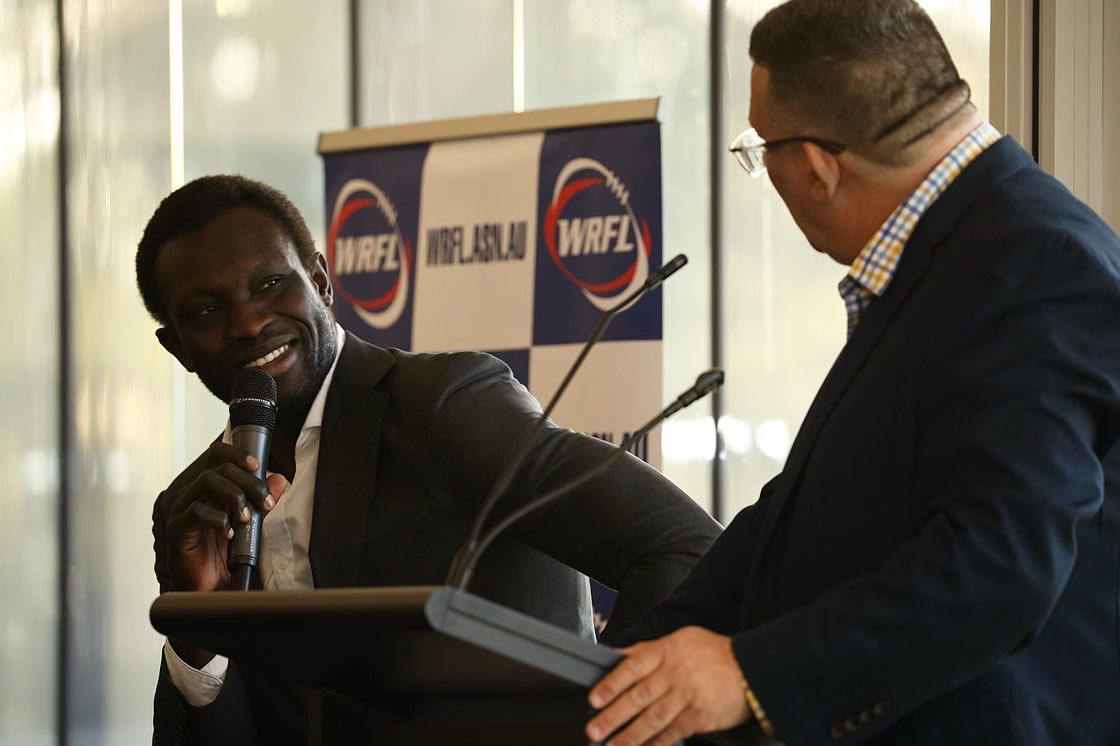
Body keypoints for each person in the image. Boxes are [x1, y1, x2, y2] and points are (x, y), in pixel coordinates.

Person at [585, 1, 1120, 744]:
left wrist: (749, 673)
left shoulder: (1032, 263)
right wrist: (616, 669)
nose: (762, 167)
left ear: (814, 167)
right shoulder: (963, 248)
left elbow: (1001, 566)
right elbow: (807, 516)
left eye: (757, 148)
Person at [136, 173, 721, 745]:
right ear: (177, 348)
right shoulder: (193, 510)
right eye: (207, 312)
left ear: (321, 280)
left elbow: (682, 546)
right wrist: (199, 628)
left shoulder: (444, 405)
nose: (248, 322)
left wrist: (605, 721)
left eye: (269, 285)